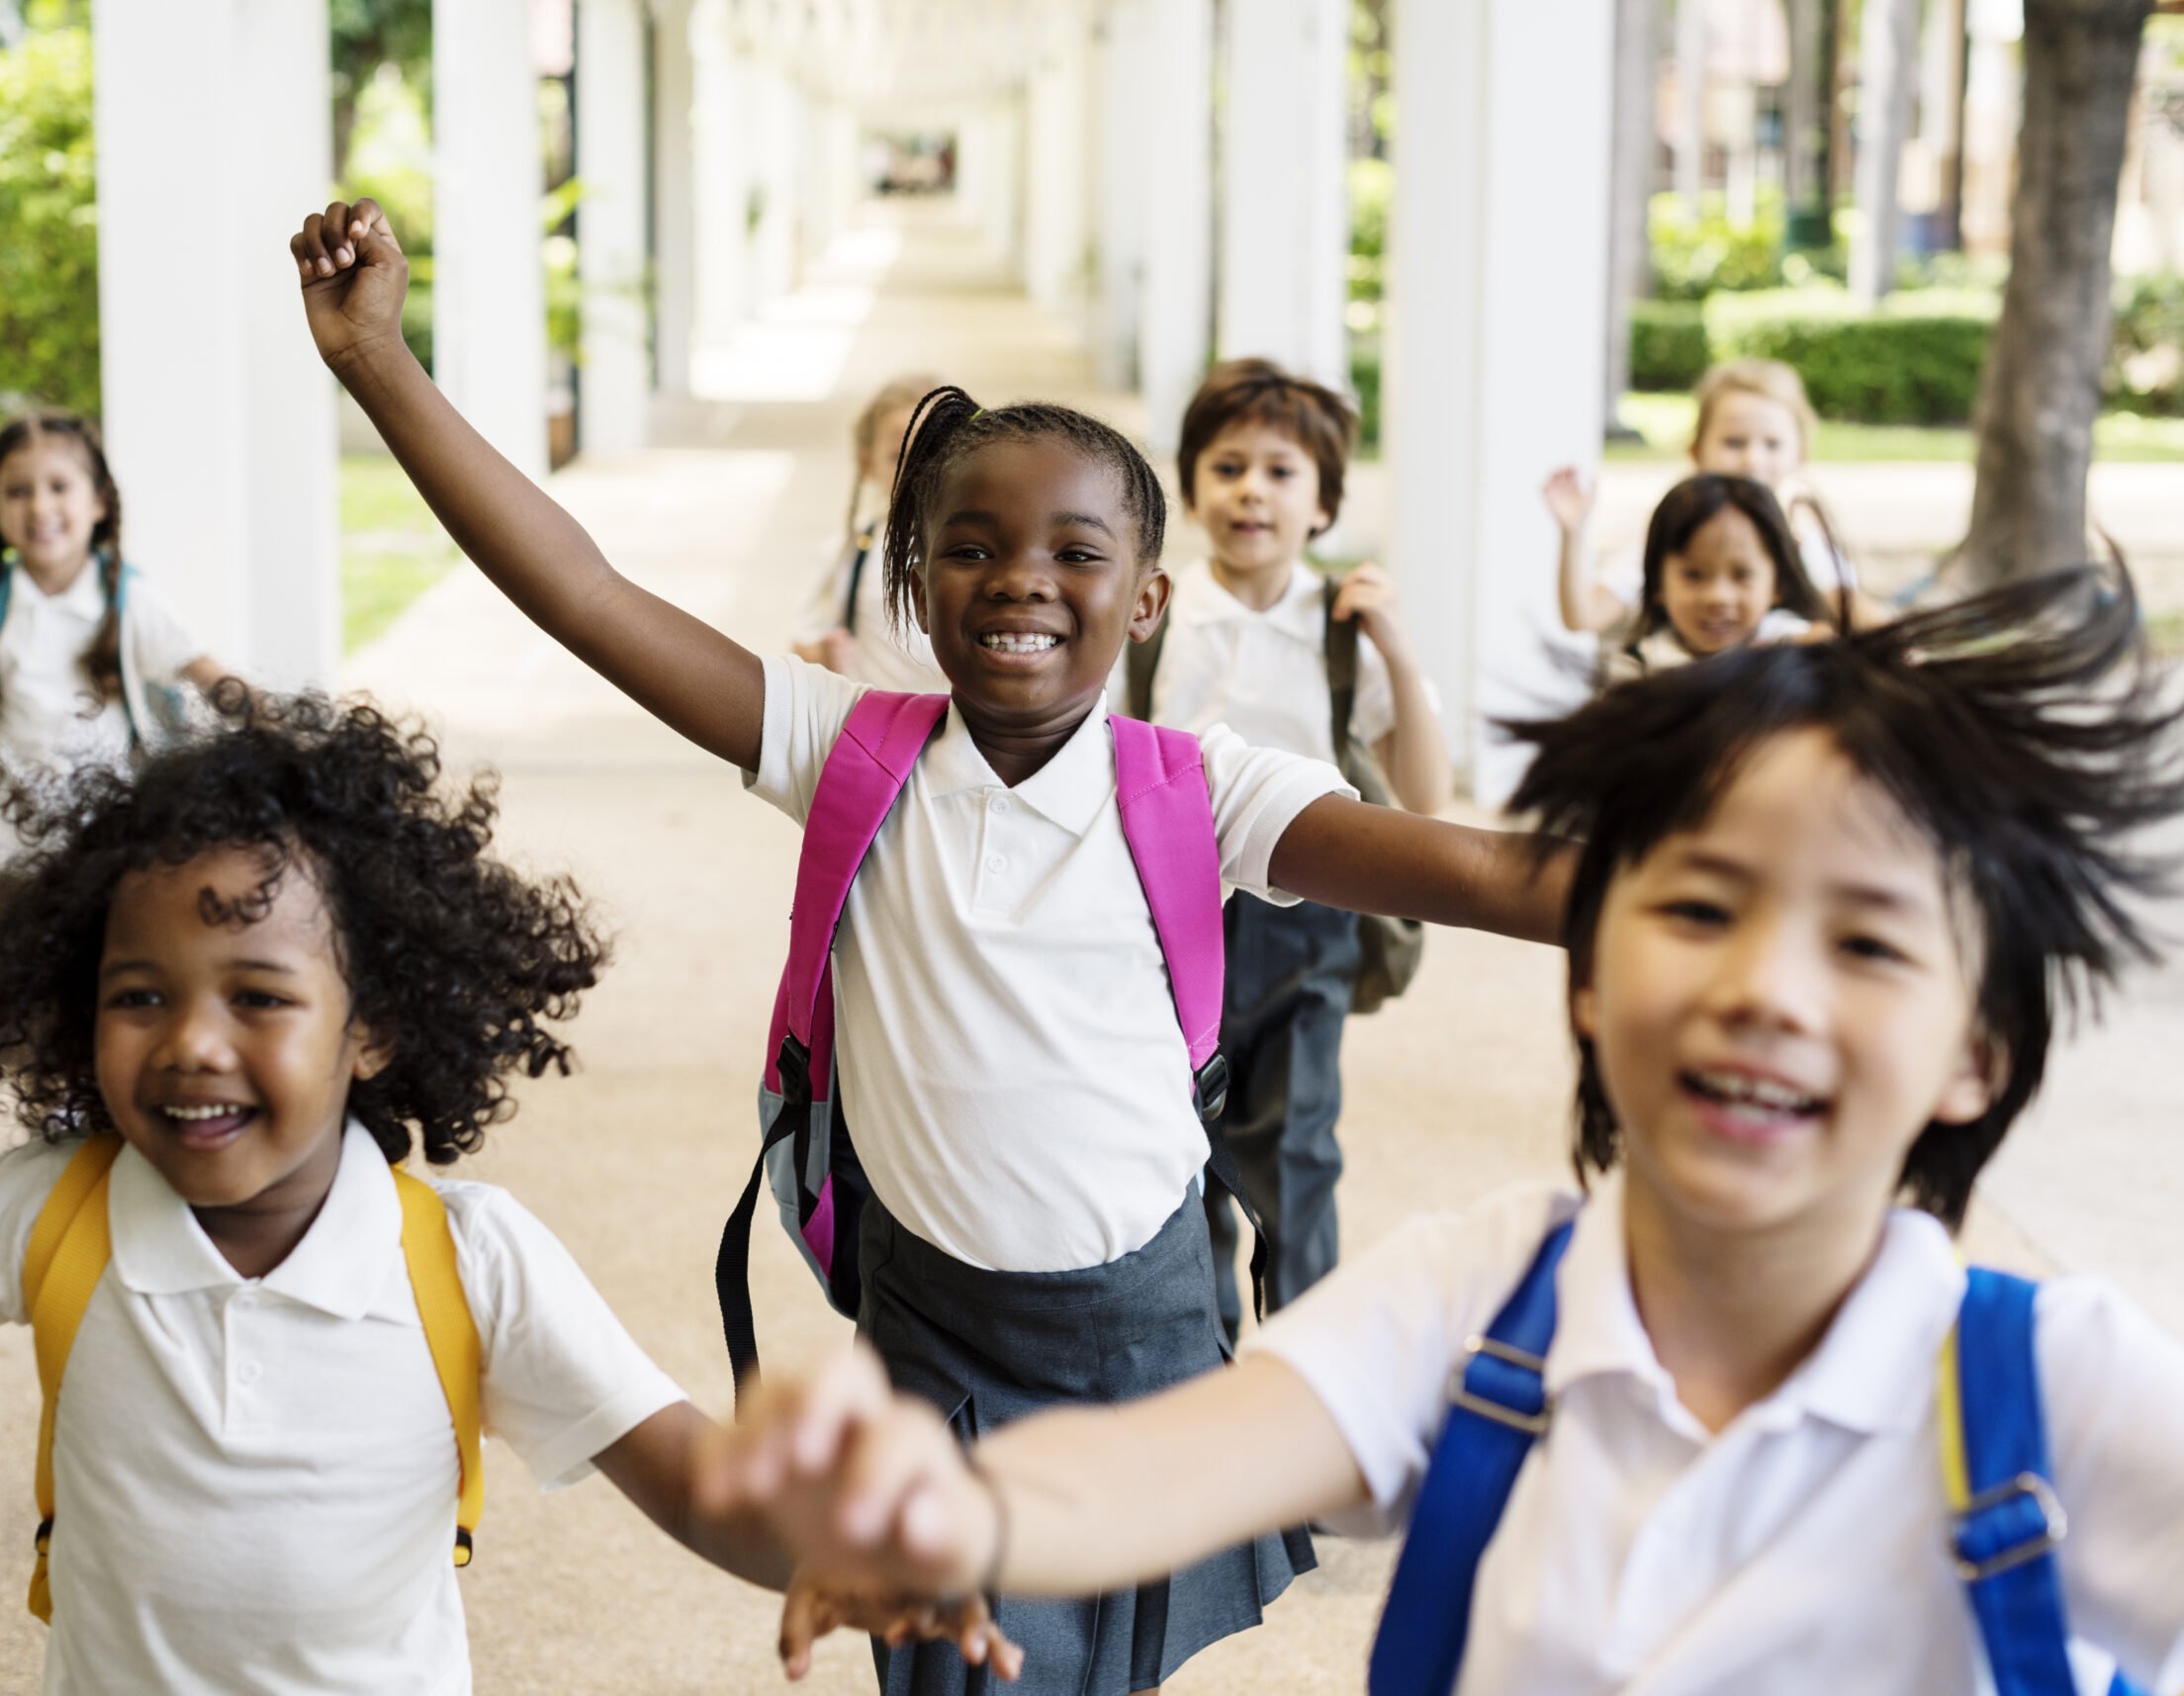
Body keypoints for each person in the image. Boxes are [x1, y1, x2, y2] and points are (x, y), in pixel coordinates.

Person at [288, 197, 1572, 1695]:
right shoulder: (845, 749)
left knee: (1104, 1659)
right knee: (956, 1662)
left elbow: (1483, 869)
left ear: (1145, 596)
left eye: (1073, 550)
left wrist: (1756, 892)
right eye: (971, 546)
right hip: (936, 1332)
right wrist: (378, 359)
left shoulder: (1199, 784)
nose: (1020, 575)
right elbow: (581, 591)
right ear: (916, 584)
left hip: (1145, 1323)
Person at [701, 565, 2184, 1694]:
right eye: (1700, 907)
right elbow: (1151, 1468)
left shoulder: (2063, 1393)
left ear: (1978, 1049)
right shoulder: (1482, 1299)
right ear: (1590, 971)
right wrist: (944, 1506)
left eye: (1866, 943)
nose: (1765, 991)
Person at [0, 688, 1010, 1694]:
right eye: (139, 993)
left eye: (261, 994)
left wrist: (846, 1552)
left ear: (376, 1024)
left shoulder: (466, 1259)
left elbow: (688, 1477)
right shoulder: (57, 1213)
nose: (192, 1041)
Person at [1128, 357, 1451, 1339]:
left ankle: (1309, 1372)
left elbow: (1426, 796)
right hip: (1172, 917)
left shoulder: (1341, 630)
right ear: (1190, 489)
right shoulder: (1153, 614)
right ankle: (1205, 1362)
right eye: (1226, 468)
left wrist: (1394, 643)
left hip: (1310, 923)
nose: (1250, 491)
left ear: (1322, 503)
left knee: (1296, 1147)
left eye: (1279, 471)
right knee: (1181, 1145)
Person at [0, 413, 233, 892]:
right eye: (17, 491)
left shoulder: (131, 603)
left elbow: (217, 682)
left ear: (99, 501)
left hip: (112, 851)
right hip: (12, 857)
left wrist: (294, 736)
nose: (39, 506)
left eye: (58, 486)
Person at [1547, 357, 1874, 637]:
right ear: (1696, 450)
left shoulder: (1806, 546)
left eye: (1772, 444)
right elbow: (1584, 616)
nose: (1752, 459)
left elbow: (1855, 612)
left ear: (1800, 455)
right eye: (1734, 442)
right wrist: (1572, 533)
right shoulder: (1673, 538)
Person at [1597, 473, 1833, 686]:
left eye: (1742, 575)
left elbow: (1830, 648)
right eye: (1693, 575)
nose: (1717, 597)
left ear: (1778, 583)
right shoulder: (1638, 667)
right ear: (1658, 583)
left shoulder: (1784, 641)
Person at [794, 374, 951, 691]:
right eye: (898, 457)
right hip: (879, 732)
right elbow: (803, 642)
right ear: (868, 463)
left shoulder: (982, 549)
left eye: (933, 452)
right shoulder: (847, 552)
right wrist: (824, 655)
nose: (917, 470)